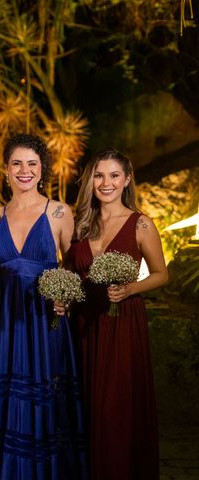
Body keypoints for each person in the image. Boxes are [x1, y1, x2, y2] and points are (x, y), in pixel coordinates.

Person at [0, 134, 87, 479]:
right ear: (5, 169)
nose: (24, 170)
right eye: (17, 163)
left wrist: (66, 300)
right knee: (7, 397)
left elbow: (73, 270)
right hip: (5, 323)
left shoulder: (58, 211)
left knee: (47, 402)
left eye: (32, 163)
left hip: (45, 322)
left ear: (42, 169)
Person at [68, 148, 167, 480]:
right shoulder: (79, 222)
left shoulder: (141, 224)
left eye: (113, 175)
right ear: (90, 181)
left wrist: (129, 289)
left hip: (121, 323)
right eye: (99, 175)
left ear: (126, 179)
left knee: (116, 407)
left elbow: (160, 274)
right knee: (85, 405)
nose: (105, 183)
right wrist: (63, 298)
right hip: (82, 325)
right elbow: (69, 274)